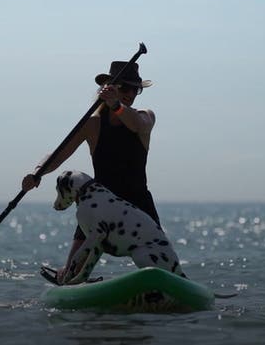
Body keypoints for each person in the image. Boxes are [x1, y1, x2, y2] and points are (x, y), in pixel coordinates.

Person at [22, 61, 161, 283]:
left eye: (136, 89)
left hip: (138, 201)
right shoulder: (93, 124)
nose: (131, 93)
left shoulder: (145, 115)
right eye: (124, 87)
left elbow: (138, 125)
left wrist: (116, 104)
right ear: (109, 87)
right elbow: (59, 153)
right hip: (100, 204)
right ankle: (67, 277)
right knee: (72, 273)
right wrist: (37, 173)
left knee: (162, 265)